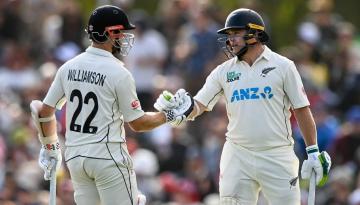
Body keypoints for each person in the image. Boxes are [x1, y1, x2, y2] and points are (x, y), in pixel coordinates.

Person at [155, 8, 331, 204]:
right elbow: (199, 104)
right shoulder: (223, 71)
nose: (231, 40)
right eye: (229, 35)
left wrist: (313, 151)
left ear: (255, 33)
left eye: (236, 33)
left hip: (277, 154)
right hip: (238, 154)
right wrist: (182, 108)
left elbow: (301, 109)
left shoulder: (283, 66)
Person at [29, 5, 193, 205]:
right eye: (121, 32)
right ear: (110, 33)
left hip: (76, 160)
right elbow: (138, 124)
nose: (124, 37)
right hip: (107, 157)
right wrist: (169, 115)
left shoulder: (68, 67)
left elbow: (43, 111)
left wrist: (50, 146)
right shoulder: (119, 72)